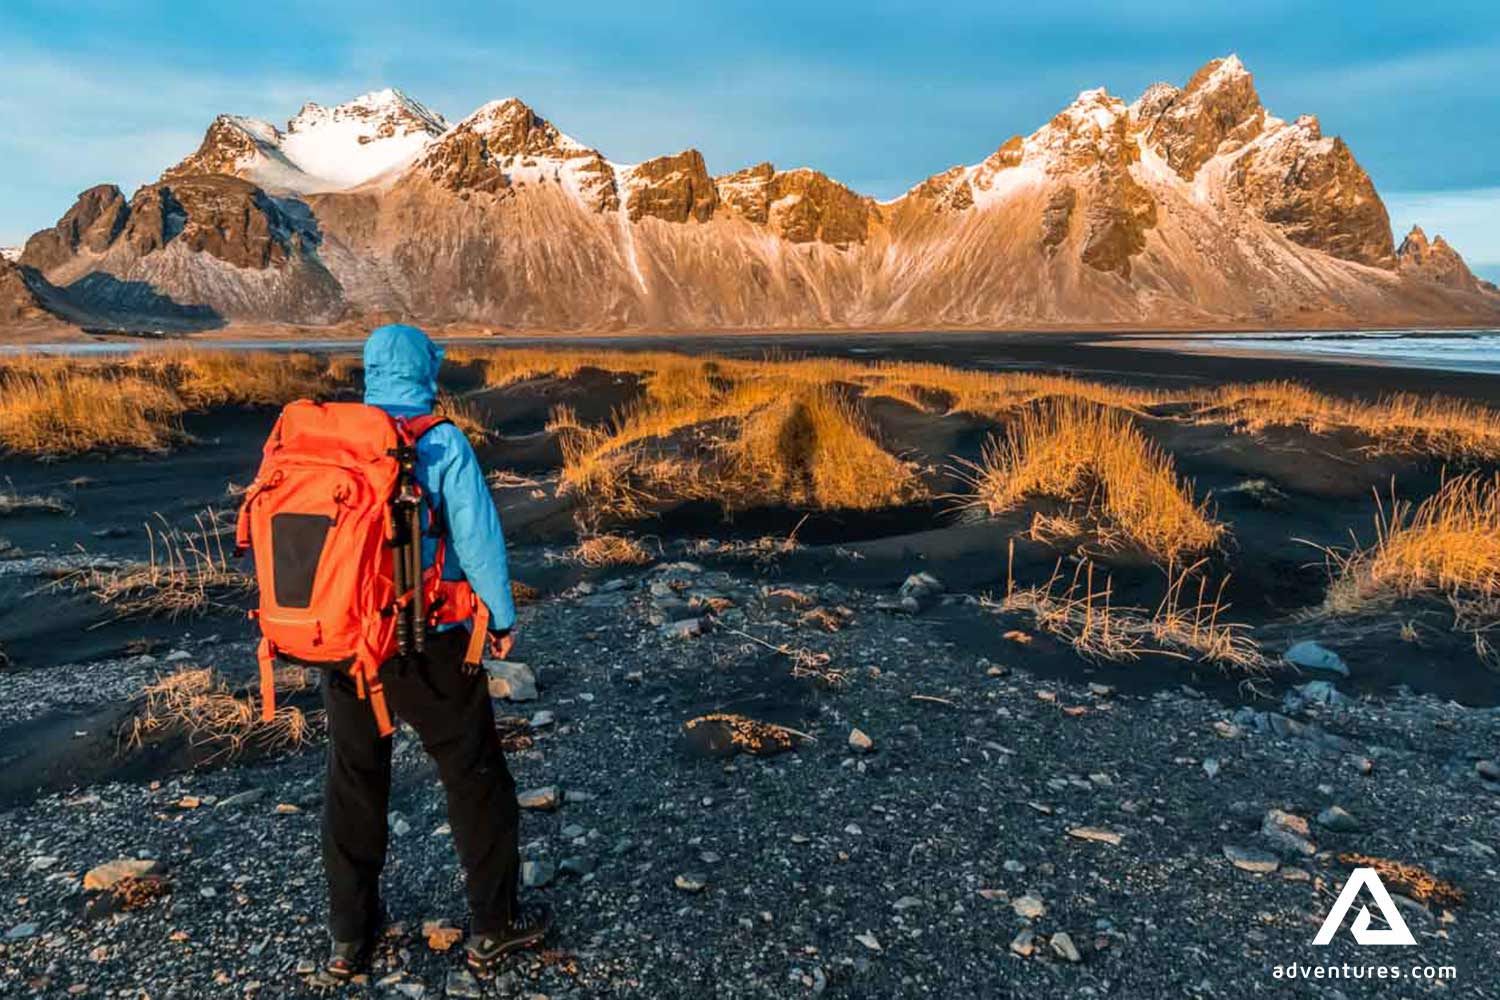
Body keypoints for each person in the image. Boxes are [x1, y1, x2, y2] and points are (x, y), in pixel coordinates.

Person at [322, 324, 550, 978]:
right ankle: (493, 926)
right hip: (430, 644)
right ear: (424, 371)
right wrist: (500, 618)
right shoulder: (439, 440)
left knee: (354, 783)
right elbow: (477, 540)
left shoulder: (335, 441)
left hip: (347, 645)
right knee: (474, 777)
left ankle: (350, 938)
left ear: (369, 370)